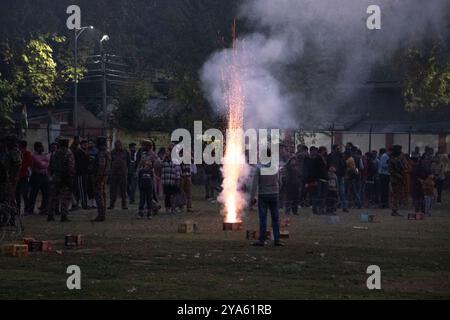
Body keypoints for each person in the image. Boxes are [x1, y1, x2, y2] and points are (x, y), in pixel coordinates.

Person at [250, 149, 283, 247]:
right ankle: (277, 239)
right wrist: (277, 190)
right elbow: (280, 182)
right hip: (274, 193)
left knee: (263, 218)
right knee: (275, 218)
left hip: (263, 194)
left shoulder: (259, 168)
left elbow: (254, 184)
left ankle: (262, 240)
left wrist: (252, 197)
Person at [47, 138, 75, 222]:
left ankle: (50, 215)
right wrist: (71, 178)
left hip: (56, 176)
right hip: (65, 177)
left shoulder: (55, 153)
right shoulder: (68, 153)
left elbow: (50, 166)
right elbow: (71, 167)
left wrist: (51, 176)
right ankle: (64, 215)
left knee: (53, 197)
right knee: (65, 197)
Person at [28, 141, 50, 215]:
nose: (42, 148)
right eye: (41, 146)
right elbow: (40, 164)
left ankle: (44, 209)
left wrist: (43, 163)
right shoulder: (33, 155)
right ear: (37, 148)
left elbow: (47, 164)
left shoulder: (44, 155)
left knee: (46, 193)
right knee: (34, 193)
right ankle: (30, 209)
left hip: (45, 175)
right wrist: (44, 163)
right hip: (36, 176)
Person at [92, 137, 110, 222]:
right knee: (103, 195)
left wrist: (97, 178)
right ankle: (102, 213)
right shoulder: (106, 152)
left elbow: (101, 166)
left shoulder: (101, 153)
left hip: (100, 176)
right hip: (104, 176)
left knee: (99, 195)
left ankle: (101, 214)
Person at [109, 140, 129, 210]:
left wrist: (126, 170)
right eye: (116, 145)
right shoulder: (112, 152)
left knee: (123, 189)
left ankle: (124, 205)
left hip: (123, 173)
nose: (117, 146)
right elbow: (111, 162)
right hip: (114, 173)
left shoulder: (125, 152)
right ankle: (112, 204)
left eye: (118, 145)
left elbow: (128, 162)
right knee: (113, 189)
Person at [327, 144, 348, 212]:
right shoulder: (330, 156)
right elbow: (328, 165)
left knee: (342, 192)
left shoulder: (342, 156)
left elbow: (344, 165)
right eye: (337, 149)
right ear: (333, 149)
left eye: (339, 149)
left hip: (340, 176)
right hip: (332, 177)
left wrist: (344, 174)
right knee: (333, 192)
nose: (338, 150)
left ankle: (344, 207)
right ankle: (334, 206)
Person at [16, 140, 32, 214]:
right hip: (17, 175)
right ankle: (18, 209)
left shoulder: (27, 153)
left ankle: (26, 209)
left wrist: (21, 166)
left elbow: (29, 163)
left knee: (24, 193)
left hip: (23, 175)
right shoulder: (17, 153)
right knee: (17, 193)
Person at [389, 145, 404, 217]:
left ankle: (395, 210)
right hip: (395, 179)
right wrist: (399, 175)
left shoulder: (397, 159)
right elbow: (391, 170)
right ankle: (394, 210)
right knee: (395, 195)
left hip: (398, 179)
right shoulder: (392, 159)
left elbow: (402, 167)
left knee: (397, 195)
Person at [74, 140, 89, 210]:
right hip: (80, 173)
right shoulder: (78, 152)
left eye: (87, 144)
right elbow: (78, 162)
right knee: (81, 189)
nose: (86, 146)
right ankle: (83, 203)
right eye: (85, 144)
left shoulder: (85, 152)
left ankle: (83, 202)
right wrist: (85, 156)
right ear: (81, 145)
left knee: (85, 189)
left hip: (85, 173)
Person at [86, 140, 98, 209]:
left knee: (94, 187)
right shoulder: (86, 150)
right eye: (89, 143)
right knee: (89, 188)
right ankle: (90, 203)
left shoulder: (96, 151)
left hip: (94, 172)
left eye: (91, 143)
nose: (90, 144)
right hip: (88, 171)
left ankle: (94, 203)